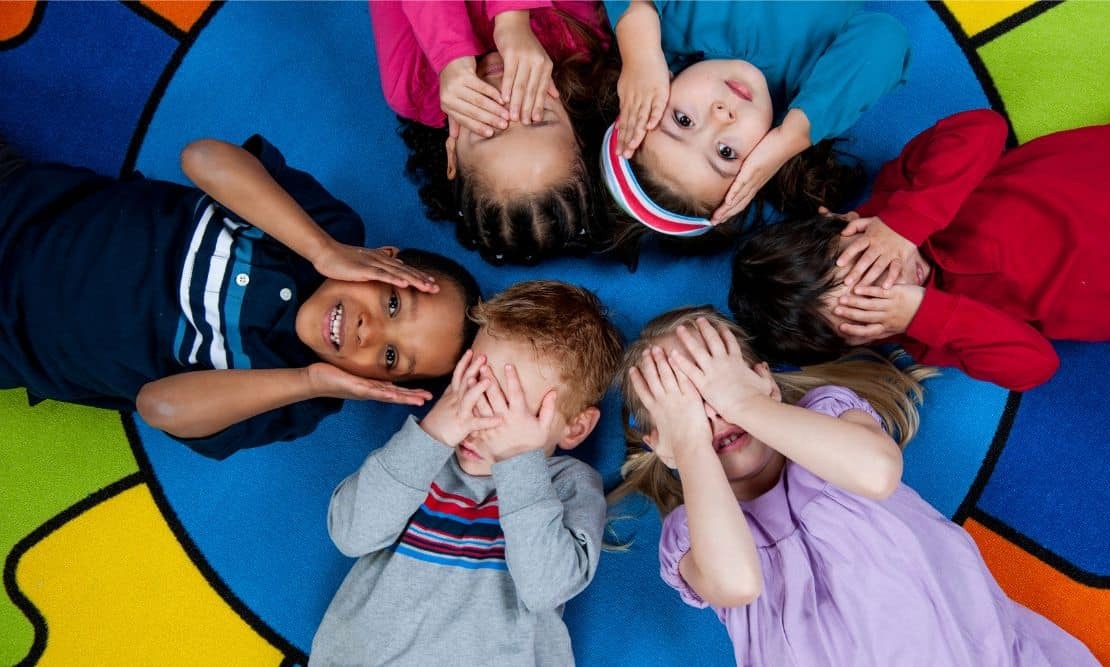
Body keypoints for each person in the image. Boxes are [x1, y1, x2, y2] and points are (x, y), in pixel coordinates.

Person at [609, 306, 1098, 666]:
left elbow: (878, 473)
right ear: (663, 447)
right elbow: (737, 583)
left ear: (765, 382)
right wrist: (692, 443)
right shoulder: (689, 534)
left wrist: (743, 404)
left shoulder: (828, 416)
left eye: (716, 387)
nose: (712, 413)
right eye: (687, 407)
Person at [0, 136, 480, 459]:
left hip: (11, 340)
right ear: (383, 261)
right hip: (21, 203)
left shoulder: (296, 400)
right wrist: (322, 249)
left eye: (391, 356)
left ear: (378, 384)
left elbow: (158, 407)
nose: (369, 331)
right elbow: (202, 158)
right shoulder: (327, 228)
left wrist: (308, 381)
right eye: (393, 304)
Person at [729, 99, 1110, 391]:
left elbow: (982, 128)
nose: (892, 280)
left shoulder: (904, 194)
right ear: (865, 339)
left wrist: (903, 223)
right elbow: (1035, 365)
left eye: (866, 263)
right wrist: (923, 313)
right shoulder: (932, 334)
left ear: (842, 221)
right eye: (870, 307)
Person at [310, 280, 623, 666]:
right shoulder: (421, 456)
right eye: (474, 383)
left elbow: (546, 587)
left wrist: (517, 461)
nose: (479, 417)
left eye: (509, 407)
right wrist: (433, 433)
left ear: (574, 428)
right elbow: (350, 534)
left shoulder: (567, 484)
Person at [598, 0, 907, 262]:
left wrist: (640, 51)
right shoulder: (813, 93)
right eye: (725, 153)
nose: (721, 116)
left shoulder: (675, 26)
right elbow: (886, 37)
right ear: (758, 170)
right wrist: (791, 136)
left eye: (682, 120)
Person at [370, 1, 618, 265]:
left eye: (490, 129)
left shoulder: (411, 85)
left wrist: (450, 54)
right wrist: (513, 22)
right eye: (537, 117)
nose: (507, 98)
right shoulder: (577, 40)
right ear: (577, 133)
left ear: (452, 155)